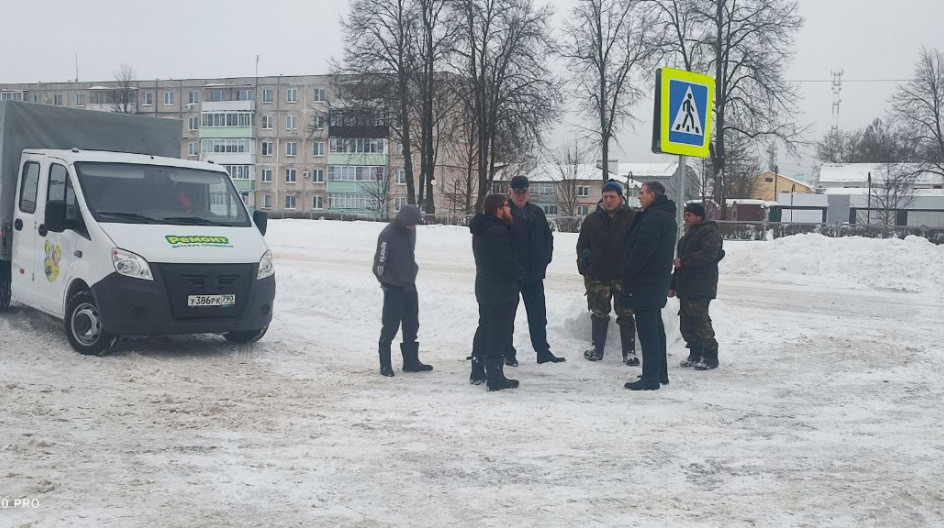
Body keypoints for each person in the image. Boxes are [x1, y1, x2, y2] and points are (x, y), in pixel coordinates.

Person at [620, 181, 677, 391]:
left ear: (652, 195)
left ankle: (651, 378)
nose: (639, 197)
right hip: (656, 280)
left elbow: (642, 251)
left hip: (645, 281)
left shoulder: (653, 218)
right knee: (655, 328)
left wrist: (626, 270)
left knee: (647, 331)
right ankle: (659, 373)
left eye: (642, 193)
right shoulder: (665, 216)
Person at [503, 175, 565, 366]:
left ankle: (542, 351)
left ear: (528, 192)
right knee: (507, 315)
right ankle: (507, 352)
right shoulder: (505, 213)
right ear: (510, 192)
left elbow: (548, 237)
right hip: (512, 276)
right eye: (517, 192)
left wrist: (545, 258)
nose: (520, 195)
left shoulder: (537, 213)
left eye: (524, 192)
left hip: (534, 274)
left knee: (538, 314)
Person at [577, 180, 639, 365]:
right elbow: (582, 246)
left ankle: (629, 352)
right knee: (599, 313)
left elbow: (638, 246)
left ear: (621, 198)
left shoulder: (633, 218)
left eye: (613, 196)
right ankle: (597, 349)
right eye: (605, 197)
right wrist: (585, 267)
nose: (609, 200)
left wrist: (633, 268)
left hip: (623, 276)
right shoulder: (591, 220)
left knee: (627, 313)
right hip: (598, 276)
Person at [469, 195, 523, 391]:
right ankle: (495, 376)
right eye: (507, 207)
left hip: (485, 286)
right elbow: (505, 261)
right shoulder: (497, 232)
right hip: (500, 289)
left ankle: (477, 369)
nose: (510, 211)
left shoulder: (481, 229)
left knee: (484, 328)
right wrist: (519, 274)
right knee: (498, 332)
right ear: (499, 210)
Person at [373, 205, 432, 377]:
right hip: (393, 288)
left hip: (409, 285)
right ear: (403, 221)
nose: (413, 228)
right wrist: (385, 283)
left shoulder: (411, 232)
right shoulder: (387, 235)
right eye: (411, 224)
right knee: (390, 326)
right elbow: (379, 264)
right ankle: (385, 364)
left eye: (415, 224)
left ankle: (411, 362)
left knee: (411, 325)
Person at [668, 202, 724, 370]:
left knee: (700, 320)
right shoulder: (687, 236)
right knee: (687, 322)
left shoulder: (710, 232)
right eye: (685, 215)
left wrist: (683, 261)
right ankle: (695, 352)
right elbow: (678, 265)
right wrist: (673, 285)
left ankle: (710, 355)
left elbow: (707, 255)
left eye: (690, 215)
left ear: (699, 217)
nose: (686, 218)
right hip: (686, 286)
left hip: (701, 285)